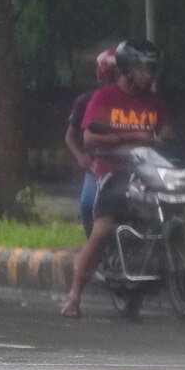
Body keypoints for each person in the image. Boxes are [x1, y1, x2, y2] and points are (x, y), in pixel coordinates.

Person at [61, 38, 173, 318]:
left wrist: (165, 137)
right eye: (143, 69)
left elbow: (167, 130)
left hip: (149, 171)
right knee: (102, 230)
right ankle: (74, 295)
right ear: (127, 69)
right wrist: (132, 136)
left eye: (152, 69)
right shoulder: (104, 98)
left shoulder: (155, 101)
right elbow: (88, 137)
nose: (148, 75)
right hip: (113, 171)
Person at [63, 48, 117, 237]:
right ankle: (93, 247)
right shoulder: (87, 101)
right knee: (87, 206)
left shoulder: (136, 101)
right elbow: (70, 136)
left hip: (133, 164)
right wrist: (81, 156)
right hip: (99, 167)